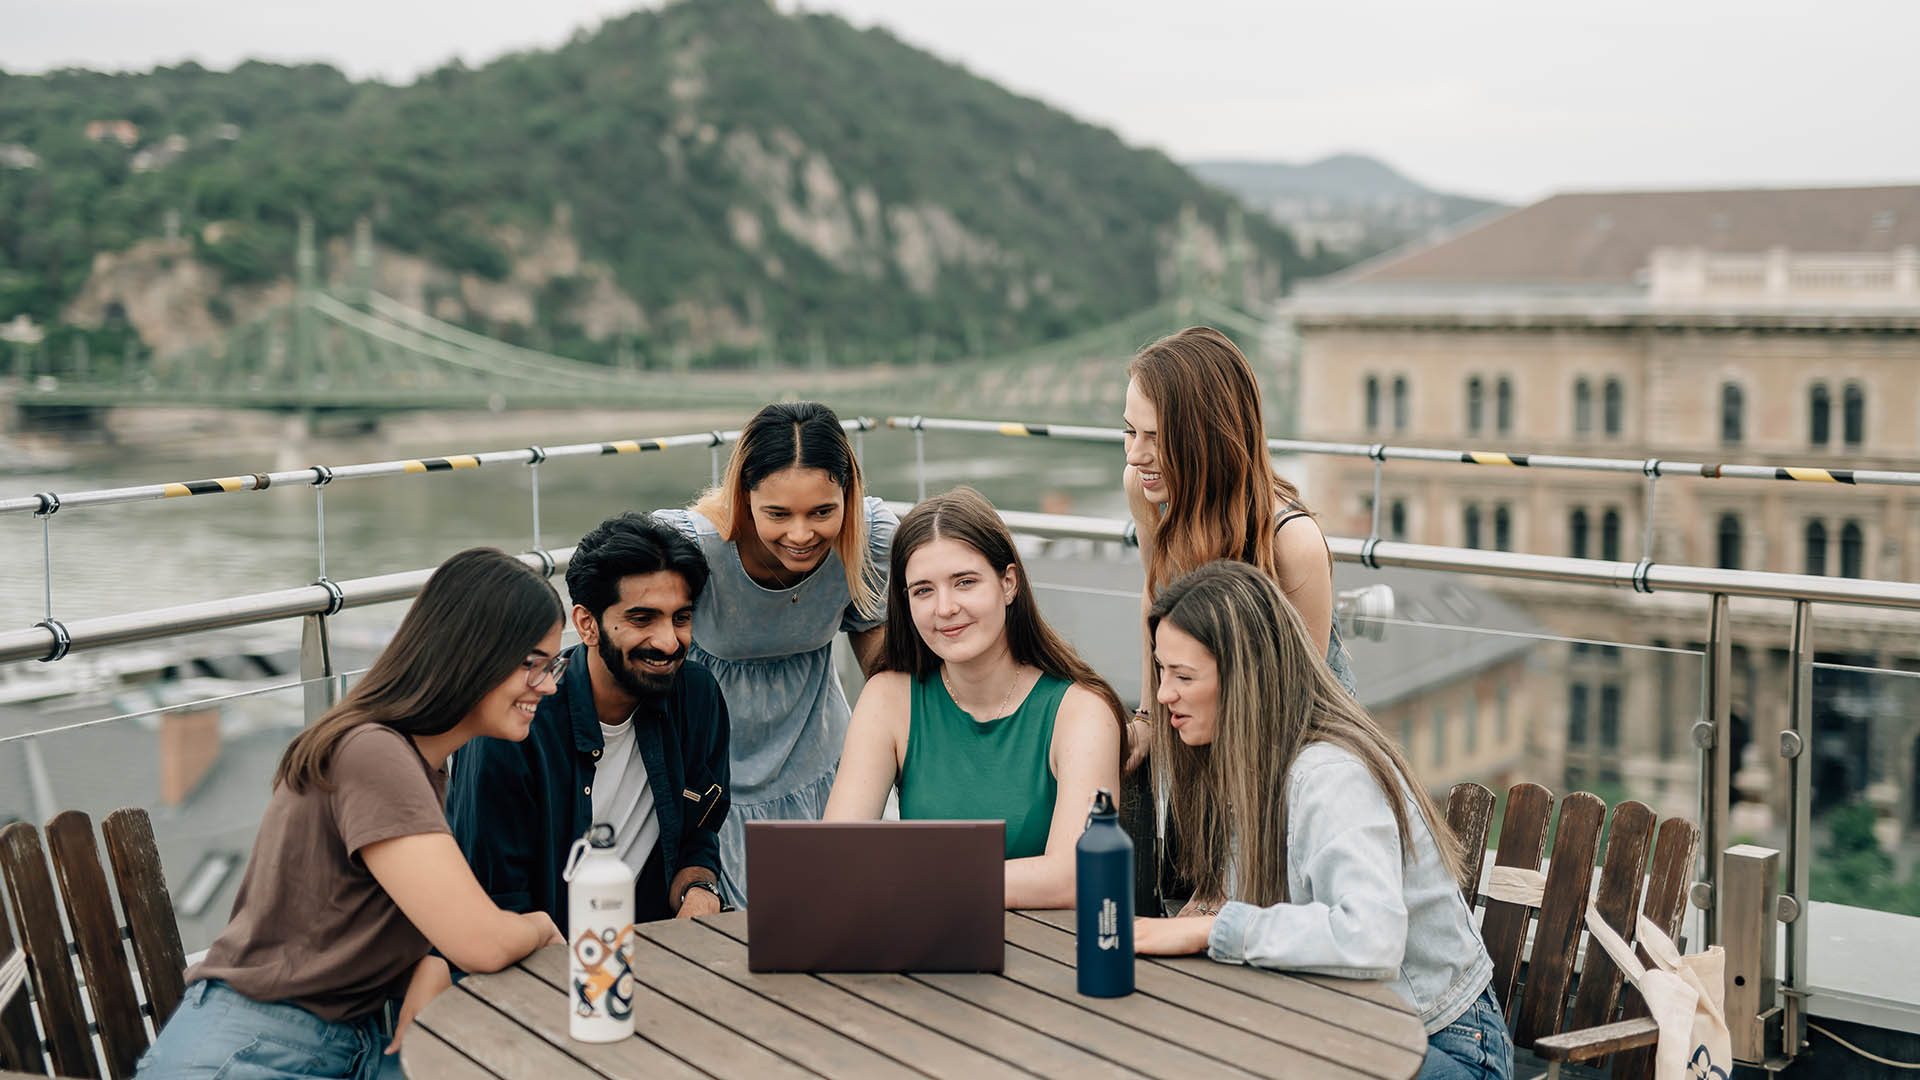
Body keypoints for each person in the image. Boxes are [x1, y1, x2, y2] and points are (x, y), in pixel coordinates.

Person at [135, 548, 569, 1079]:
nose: (547, 685)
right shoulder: (374, 755)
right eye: (533, 664)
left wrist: (434, 960)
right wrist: (539, 926)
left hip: (341, 1043)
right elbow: (480, 942)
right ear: (472, 651)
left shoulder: (410, 761)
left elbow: (438, 920)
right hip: (254, 1050)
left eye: (553, 665)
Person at [1134, 561, 1510, 1080]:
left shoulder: (1330, 775)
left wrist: (1214, 930)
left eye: (1183, 676)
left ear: (1246, 679)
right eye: (1161, 671)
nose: (1162, 695)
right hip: (1339, 1027)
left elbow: (1371, 938)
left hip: (1439, 1047)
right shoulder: (1248, 762)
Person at [823, 487, 1126, 908]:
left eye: (964, 582)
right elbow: (838, 856)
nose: (945, 608)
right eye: (923, 591)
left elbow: (1074, 876)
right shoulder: (889, 698)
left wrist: (915, 878)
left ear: (1008, 583)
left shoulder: (1080, 712)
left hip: (1051, 957)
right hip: (926, 946)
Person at [445, 512, 730, 947]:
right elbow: (494, 896)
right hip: (531, 967)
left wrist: (699, 890)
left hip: (658, 958)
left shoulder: (697, 696)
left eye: (680, 617)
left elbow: (698, 837)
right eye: (642, 619)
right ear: (586, 624)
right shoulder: (512, 724)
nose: (669, 642)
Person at [654, 401, 897, 905]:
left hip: (822, 763)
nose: (802, 534)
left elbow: (877, 651)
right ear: (744, 498)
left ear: (848, 496)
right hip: (713, 774)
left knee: (840, 912)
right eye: (778, 514)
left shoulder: (867, 539)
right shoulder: (691, 548)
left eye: (823, 511)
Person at [1121, 325, 1357, 770]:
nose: (1135, 455)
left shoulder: (1293, 542)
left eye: (1154, 437)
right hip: (1202, 727)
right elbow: (1156, 601)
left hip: (1291, 751)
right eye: (1130, 431)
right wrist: (1148, 715)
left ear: (1207, 436)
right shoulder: (1145, 488)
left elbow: (1303, 703)